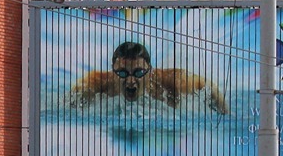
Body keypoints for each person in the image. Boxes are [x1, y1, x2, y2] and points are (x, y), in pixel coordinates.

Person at [70, 41, 229, 115]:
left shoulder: (171, 82)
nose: (131, 81)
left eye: (139, 73)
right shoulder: (96, 83)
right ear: (112, 72)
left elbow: (209, 87)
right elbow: (67, 107)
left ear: (150, 71)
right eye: (123, 73)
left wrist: (225, 114)